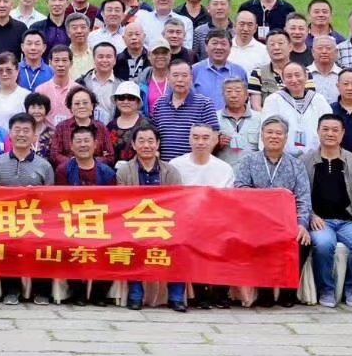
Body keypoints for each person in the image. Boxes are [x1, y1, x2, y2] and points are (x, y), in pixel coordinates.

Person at [232, 117, 312, 308]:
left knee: (302, 241)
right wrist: (266, 197)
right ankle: (265, 290)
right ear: (262, 136)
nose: (274, 136)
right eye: (269, 132)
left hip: (287, 221)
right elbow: (240, 188)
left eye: (278, 133)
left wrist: (302, 224)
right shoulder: (249, 161)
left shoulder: (296, 165)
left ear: (286, 137)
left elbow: (303, 199)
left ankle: (288, 290)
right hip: (255, 220)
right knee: (259, 239)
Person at [300, 114, 352, 308]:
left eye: (335, 130)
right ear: (318, 132)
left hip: (349, 221)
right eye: (325, 129)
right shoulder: (305, 160)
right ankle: (326, 289)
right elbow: (300, 194)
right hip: (320, 221)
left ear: (342, 134)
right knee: (324, 245)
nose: (330, 134)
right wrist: (310, 215)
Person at [0, 114, 53, 305]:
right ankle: (11, 291)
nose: (21, 135)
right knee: (8, 252)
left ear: (34, 136)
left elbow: (51, 197)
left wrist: (36, 195)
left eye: (26, 131)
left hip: (35, 220)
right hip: (6, 219)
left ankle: (41, 291)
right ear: (10, 134)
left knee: (42, 252)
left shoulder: (44, 165)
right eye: (17, 130)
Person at [117, 125, 186, 311]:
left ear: (158, 144)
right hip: (134, 222)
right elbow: (121, 202)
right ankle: (135, 295)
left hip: (164, 223)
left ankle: (176, 297)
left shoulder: (170, 171)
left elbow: (177, 201)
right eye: (141, 141)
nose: (146, 145)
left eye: (150, 141)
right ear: (133, 144)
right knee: (129, 245)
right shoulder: (124, 171)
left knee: (179, 245)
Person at [169, 123, 234, 308]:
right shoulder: (176, 165)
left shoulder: (224, 168)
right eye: (195, 137)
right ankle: (200, 292)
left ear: (215, 140)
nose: (200, 142)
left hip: (215, 221)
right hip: (185, 221)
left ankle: (221, 291)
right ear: (189, 140)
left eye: (205, 138)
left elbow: (228, 201)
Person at [149, 61, 217, 162]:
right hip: (165, 167)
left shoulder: (204, 103)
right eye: (175, 75)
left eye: (184, 75)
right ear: (168, 77)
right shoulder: (159, 103)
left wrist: (199, 161)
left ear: (191, 78)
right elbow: (154, 136)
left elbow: (214, 137)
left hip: (193, 166)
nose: (180, 80)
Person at [260, 62, 330, 158]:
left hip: (315, 157)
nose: (294, 80)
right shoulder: (273, 100)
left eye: (297, 75)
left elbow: (328, 126)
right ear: (283, 79)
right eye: (289, 76)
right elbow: (265, 129)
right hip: (282, 157)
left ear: (306, 76)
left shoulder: (318, 100)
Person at [192, 30, 246, 109]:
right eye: (214, 43)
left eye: (223, 44)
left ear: (230, 48)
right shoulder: (194, 70)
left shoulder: (239, 71)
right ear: (206, 47)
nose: (219, 47)